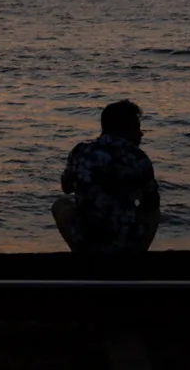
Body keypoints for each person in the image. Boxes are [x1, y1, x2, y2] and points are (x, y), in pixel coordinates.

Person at [53, 99, 160, 256]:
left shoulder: (81, 152)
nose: (140, 134)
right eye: (137, 128)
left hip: (86, 240)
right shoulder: (138, 158)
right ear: (126, 129)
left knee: (60, 204)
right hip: (126, 242)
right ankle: (136, 255)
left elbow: (66, 187)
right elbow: (152, 203)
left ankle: (82, 254)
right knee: (154, 213)